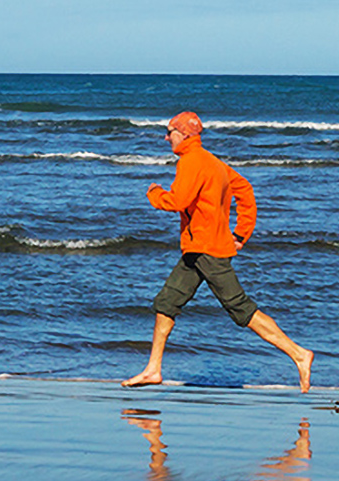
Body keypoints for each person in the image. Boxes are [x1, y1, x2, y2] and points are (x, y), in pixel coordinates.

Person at [122, 111, 314, 393]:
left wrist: (154, 193)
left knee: (241, 309)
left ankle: (299, 353)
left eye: (169, 132)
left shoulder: (191, 161)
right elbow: (245, 191)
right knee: (166, 302)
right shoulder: (214, 162)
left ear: (184, 134)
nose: (166, 137)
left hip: (207, 250)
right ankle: (153, 369)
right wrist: (240, 234)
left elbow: (178, 200)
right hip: (197, 250)